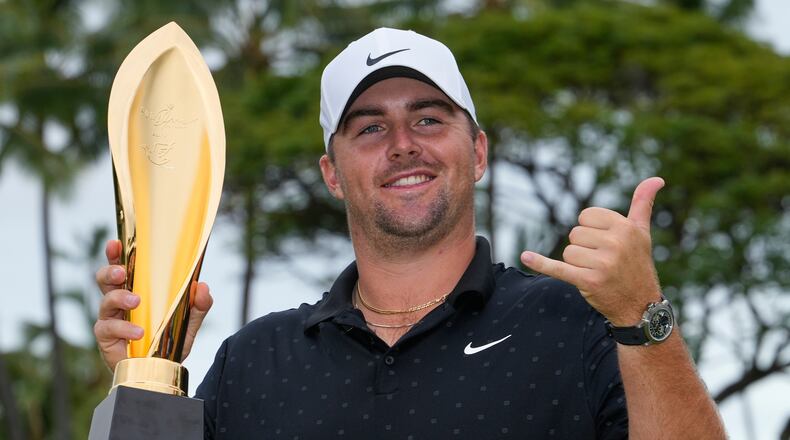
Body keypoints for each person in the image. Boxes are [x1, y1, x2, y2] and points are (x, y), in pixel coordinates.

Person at [94, 28, 726, 439]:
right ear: (332, 173)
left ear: (477, 152)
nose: (402, 146)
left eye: (428, 118)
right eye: (369, 128)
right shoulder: (254, 361)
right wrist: (145, 381)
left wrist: (643, 319)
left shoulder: (579, 323)